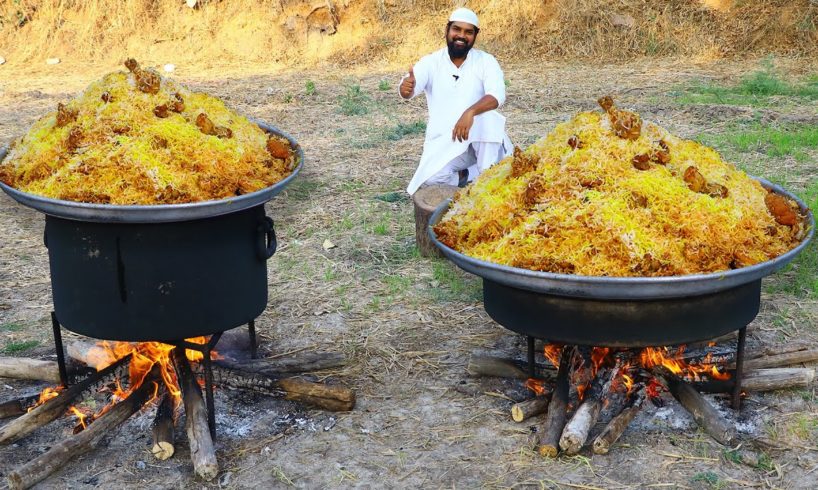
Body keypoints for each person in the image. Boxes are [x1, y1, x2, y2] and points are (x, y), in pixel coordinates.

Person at [399, 7, 512, 195]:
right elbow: (410, 86)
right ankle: (467, 175)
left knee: (488, 117)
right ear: (447, 30)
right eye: (457, 29)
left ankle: (486, 182)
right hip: (448, 141)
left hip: (482, 139)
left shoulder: (486, 61)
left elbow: (497, 95)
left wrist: (470, 113)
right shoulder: (431, 62)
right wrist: (406, 89)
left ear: (476, 35)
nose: (461, 35)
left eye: (468, 32)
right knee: (431, 181)